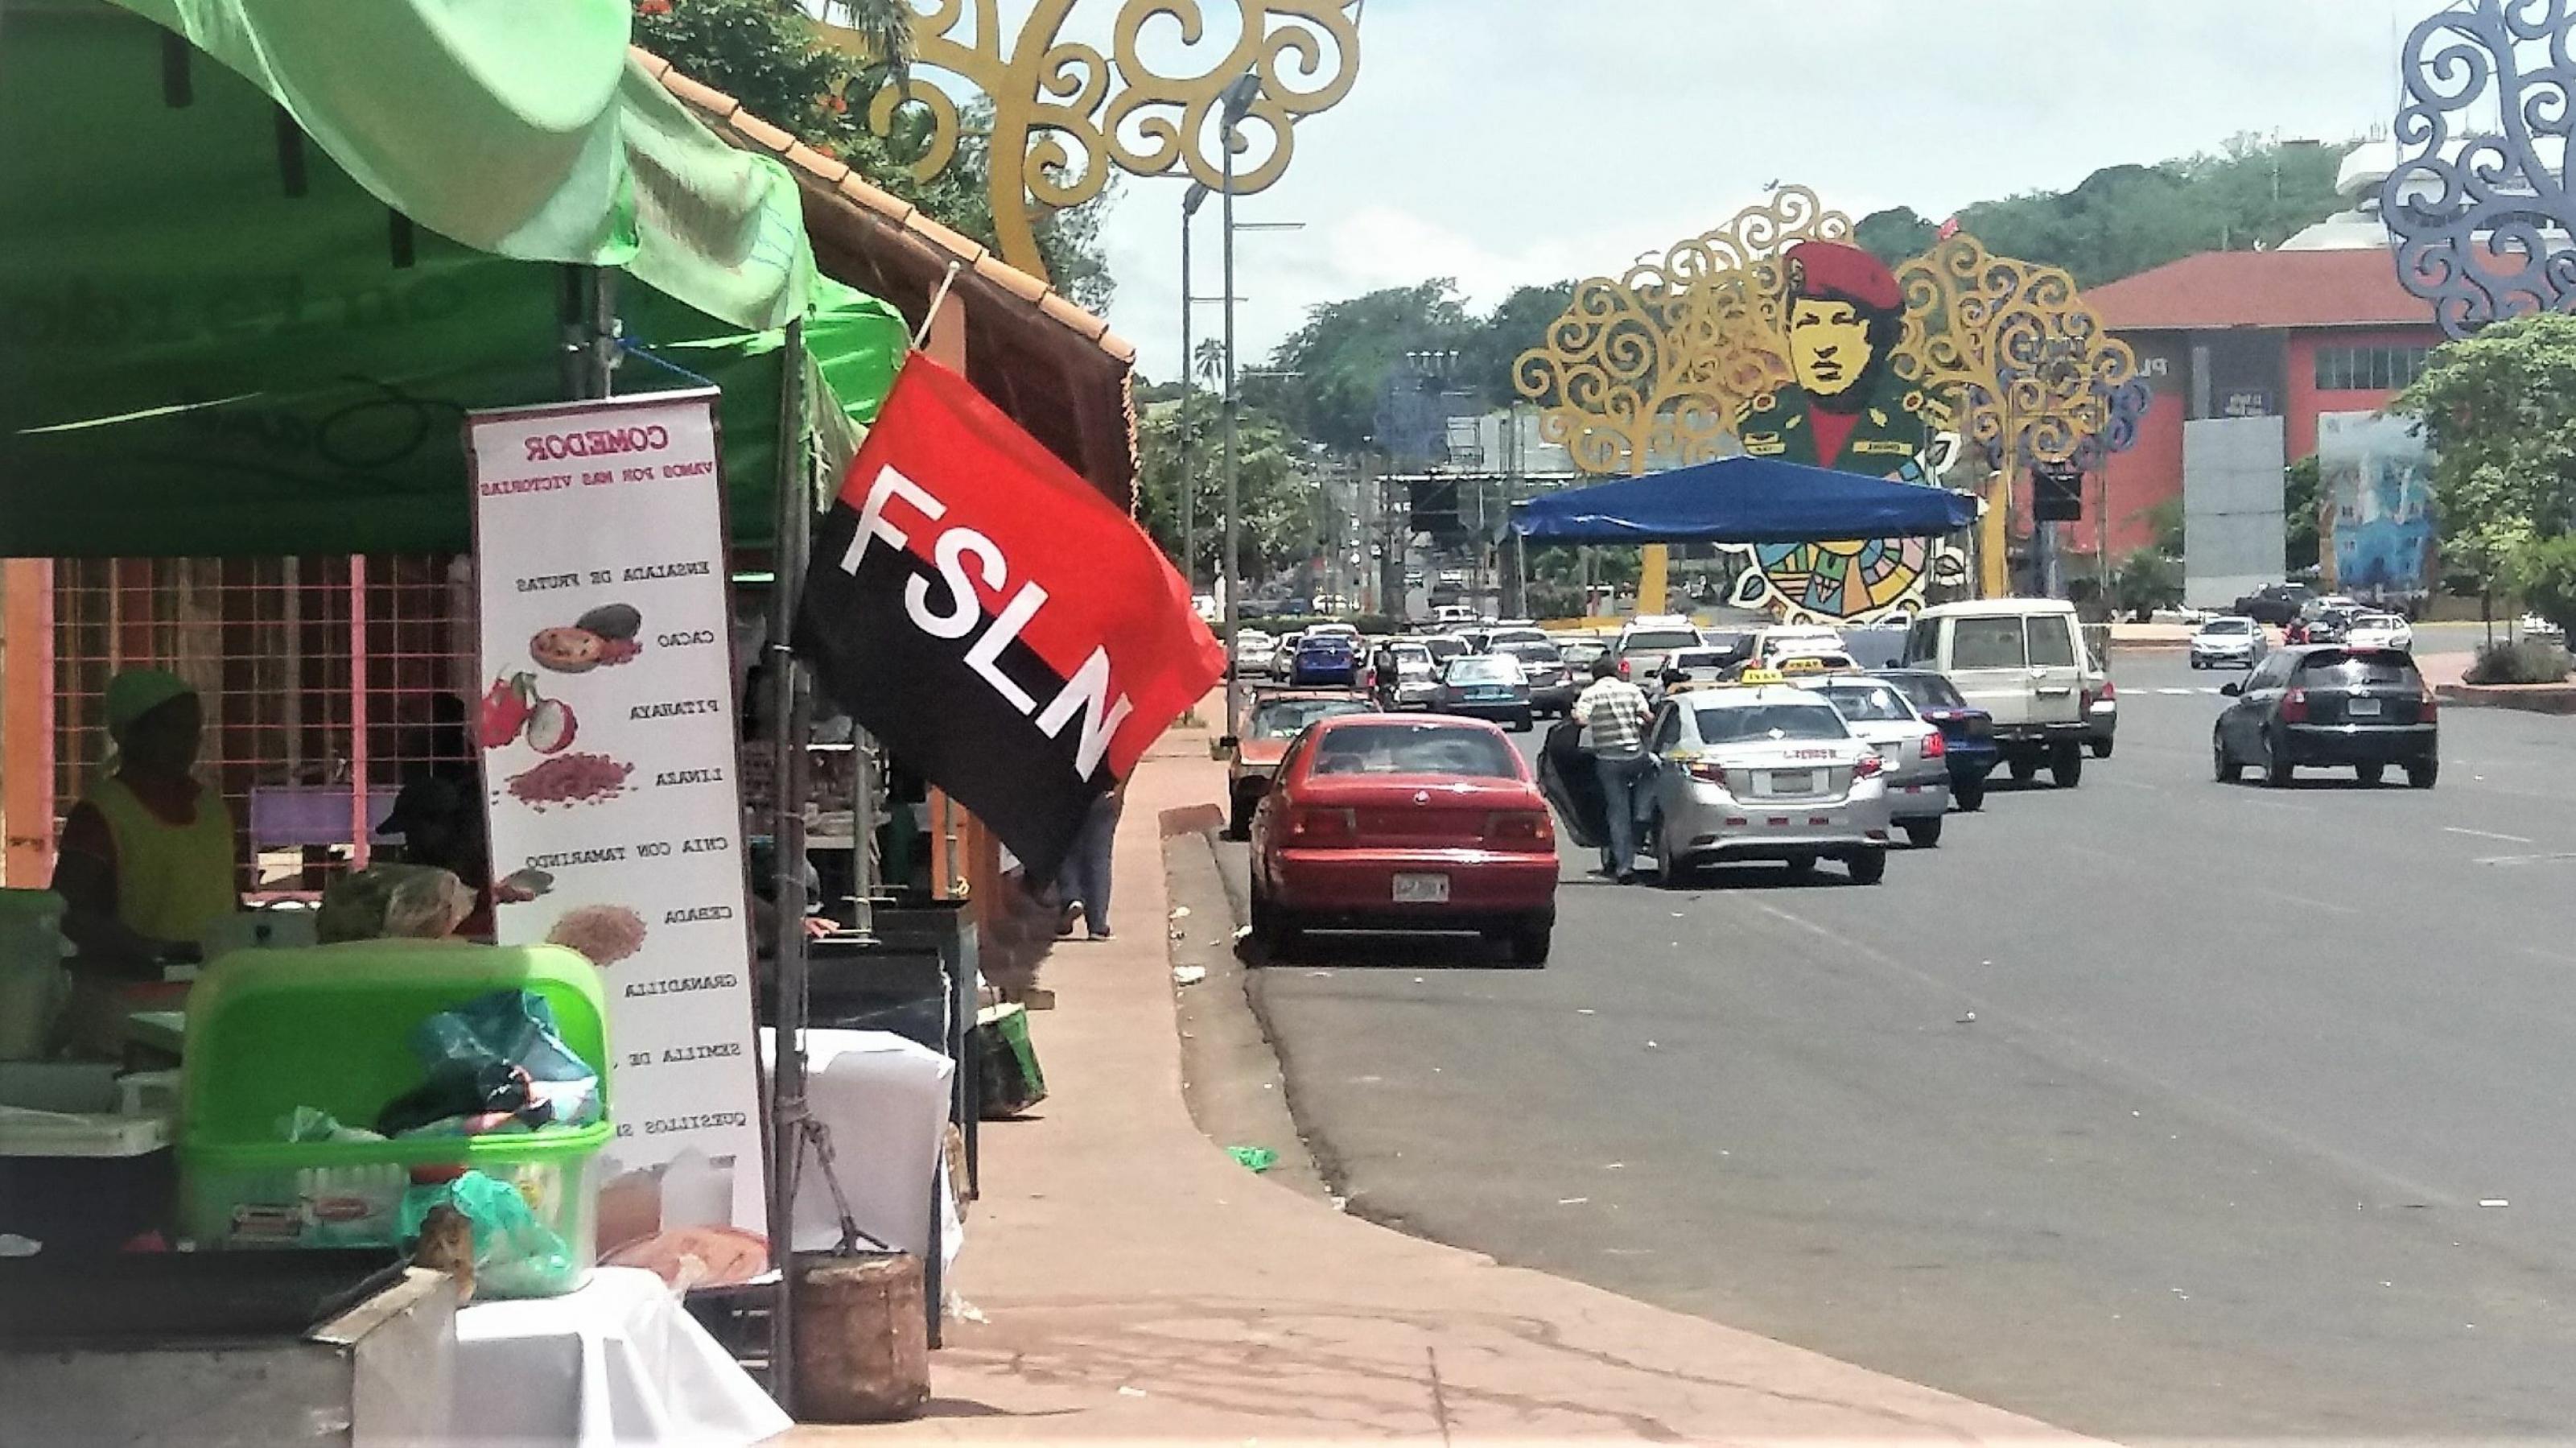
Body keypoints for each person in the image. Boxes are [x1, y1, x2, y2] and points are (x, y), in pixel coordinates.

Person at [53, 670, 239, 1050]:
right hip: (121, 1008)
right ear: (127, 734)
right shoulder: (101, 813)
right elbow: (68, 911)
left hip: (208, 1001)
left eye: (194, 731)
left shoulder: (211, 809)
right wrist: (145, 949)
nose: (187, 743)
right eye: (170, 730)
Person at [1572, 655, 1652, 883]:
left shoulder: (1590, 694)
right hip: (1636, 756)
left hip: (1608, 761)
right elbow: (1647, 717)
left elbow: (1581, 720)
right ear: (1616, 672)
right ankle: (1643, 811)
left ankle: (1624, 867)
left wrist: (1574, 715)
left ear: (1594, 675)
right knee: (1655, 769)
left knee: (1618, 814)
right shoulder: (1632, 690)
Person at [1055, 780, 1124, 941]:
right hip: (1105, 791)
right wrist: (1119, 789)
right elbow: (1126, 759)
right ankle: (1098, 925)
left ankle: (1071, 897)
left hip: (1067, 790)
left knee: (1065, 848)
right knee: (1099, 857)